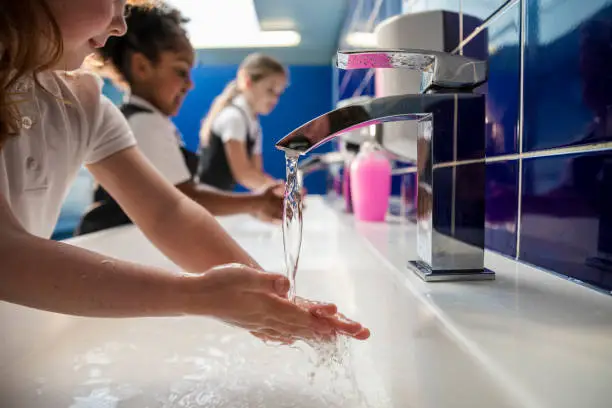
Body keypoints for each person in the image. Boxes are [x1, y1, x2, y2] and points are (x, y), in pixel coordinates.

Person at [0, 0, 370, 345]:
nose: (119, 23)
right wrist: (198, 295)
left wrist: (267, 295)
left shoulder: (84, 101)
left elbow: (169, 212)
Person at [76, 4, 284, 235]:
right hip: (116, 241)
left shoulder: (147, 120)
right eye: (181, 71)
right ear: (142, 67)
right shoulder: (145, 124)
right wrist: (255, 203)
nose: (190, 84)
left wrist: (254, 205)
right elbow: (185, 198)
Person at [197, 53, 286, 192]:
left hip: (220, 199)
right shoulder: (234, 117)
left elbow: (256, 175)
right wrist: (284, 190)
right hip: (205, 200)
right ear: (247, 81)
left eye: (279, 94)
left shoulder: (253, 125)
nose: (274, 99)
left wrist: (279, 191)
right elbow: (244, 174)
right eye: (270, 90)